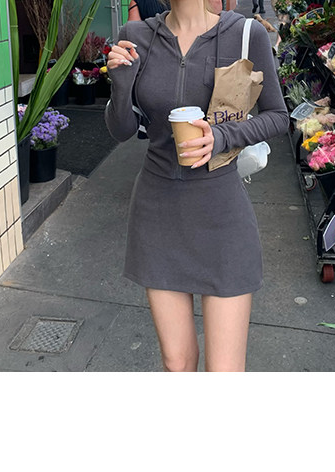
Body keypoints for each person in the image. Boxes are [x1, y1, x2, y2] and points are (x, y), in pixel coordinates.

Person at [105, 0, 289, 372]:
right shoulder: (136, 35)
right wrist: (120, 86)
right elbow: (122, 130)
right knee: (177, 363)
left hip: (221, 213)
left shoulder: (246, 34)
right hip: (157, 211)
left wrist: (222, 137)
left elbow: (278, 116)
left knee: (223, 370)